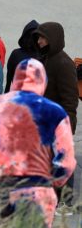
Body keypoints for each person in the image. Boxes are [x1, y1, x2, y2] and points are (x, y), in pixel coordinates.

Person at [0, 58, 76, 227]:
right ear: (43, 81)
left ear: (14, 79)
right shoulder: (55, 112)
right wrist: (52, 183)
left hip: (0, 188)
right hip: (38, 189)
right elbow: (67, 161)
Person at [33, 22, 79, 214]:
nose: (40, 41)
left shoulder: (63, 63)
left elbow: (70, 100)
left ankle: (66, 203)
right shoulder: (45, 59)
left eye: (43, 37)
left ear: (54, 39)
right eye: (39, 37)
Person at [4, 20, 39, 93]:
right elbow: (9, 77)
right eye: (29, 35)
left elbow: (9, 78)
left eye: (34, 36)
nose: (31, 39)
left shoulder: (43, 55)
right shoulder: (16, 54)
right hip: (19, 94)